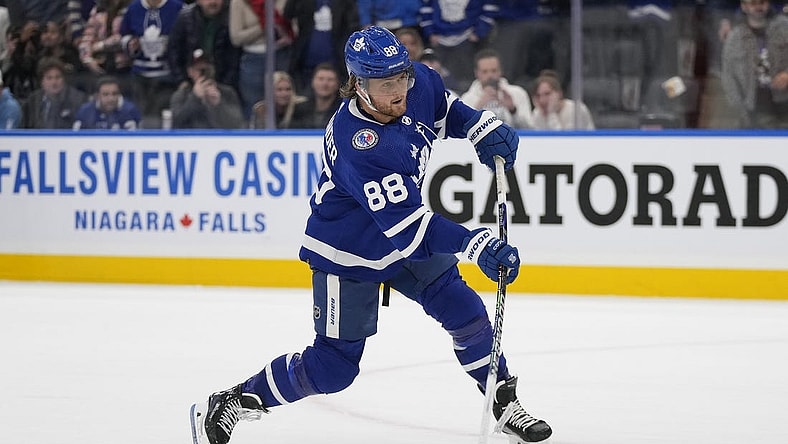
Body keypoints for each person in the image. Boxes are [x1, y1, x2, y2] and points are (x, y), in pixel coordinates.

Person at [189, 26, 552, 444]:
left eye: (402, 77)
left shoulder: (415, 81)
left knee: (465, 311)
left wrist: (478, 127)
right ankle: (233, 400)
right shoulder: (358, 145)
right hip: (349, 250)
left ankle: (503, 402)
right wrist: (475, 242)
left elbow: (442, 106)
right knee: (333, 368)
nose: (399, 91)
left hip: (403, 237)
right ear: (358, 85)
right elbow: (413, 231)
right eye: (386, 84)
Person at [721, 0, 788, 128]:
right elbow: (728, 75)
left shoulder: (784, 27)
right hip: (754, 106)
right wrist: (739, 106)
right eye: (753, 3)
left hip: (785, 99)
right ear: (744, 6)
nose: (758, 7)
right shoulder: (735, 37)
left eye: (762, 2)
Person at [120, 0, 184, 128]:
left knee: (165, 118)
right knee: (140, 117)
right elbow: (124, 34)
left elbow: (187, 36)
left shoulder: (178, 8)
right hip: (140, 76)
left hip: (168, 77)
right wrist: (130, 44)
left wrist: (172, 45)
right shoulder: (133, 8)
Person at [229, 0, 293, 120]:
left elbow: (293, 28)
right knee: (253, 103)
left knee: (283, 100)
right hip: (253, 59)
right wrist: (265, 23)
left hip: (281, 55)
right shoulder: (239, 2)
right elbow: (236, 38)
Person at [418, 0, 498, 92]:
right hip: (440, 40)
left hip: (468, 38)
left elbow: (490, 7)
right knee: (441, 79)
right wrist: (430, 32)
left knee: (466, 80)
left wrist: (479, 31)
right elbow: (425, 8)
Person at [282, 0, 359, 93]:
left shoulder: (344, 2)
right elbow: (287, 14)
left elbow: (353, 26)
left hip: (337, 65)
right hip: (306, 65)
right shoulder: (304, 3)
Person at [168, 0, 241, 91]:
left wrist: (224, 86)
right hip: (190, 82)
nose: (213, 2)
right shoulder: (185, 18)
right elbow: (174, 51)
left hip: (224, 82)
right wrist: (181, 80)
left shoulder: (232, 17)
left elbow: (235, 56)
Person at [169, 48, 244, 128]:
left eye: (207, 69)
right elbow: (176, 123)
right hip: (191, 138)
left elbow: (237, 124)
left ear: (214, 70)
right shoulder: (181, 95)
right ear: (190, 72)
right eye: (200, 70)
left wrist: (218, 104)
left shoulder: (227, 92)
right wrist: (195, 97)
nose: (204, 74)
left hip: (219, 138)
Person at [461, 48, 533, 129]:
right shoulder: (467, 99)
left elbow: (529, 128)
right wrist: (478, 106)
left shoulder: (518, 93)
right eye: (485, 72)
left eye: (494, 70)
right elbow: (462, 131)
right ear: (477, 73)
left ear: (500, 71)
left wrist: (513, 110)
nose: (490, 76)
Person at [21, 57, 86, 128]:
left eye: (58, 77)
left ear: (64, 79)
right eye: (49, 78)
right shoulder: (33, 101)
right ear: (41, 81)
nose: (54, 82)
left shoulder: (78, 100)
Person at [531, 69, 595, 130]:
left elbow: (564, 140)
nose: (542, 100)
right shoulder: (537, 113)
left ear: (559, 93)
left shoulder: (576, 109)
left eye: (547, 94)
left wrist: (551, 114)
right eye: (538, 96)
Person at [73, 75, 141, 129]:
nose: (111, 99)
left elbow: (135, 140)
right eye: (105, 94)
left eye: (114, 94)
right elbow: (75, 137)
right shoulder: (85, 111)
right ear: (97, 96)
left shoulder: (130, 111)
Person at [290, 62, 341, 129]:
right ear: (313, 82)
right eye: (320, 79)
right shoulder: (300, 109)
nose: (325, 84)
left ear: (337, 84)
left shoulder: (342, 110)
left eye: (330, 80)